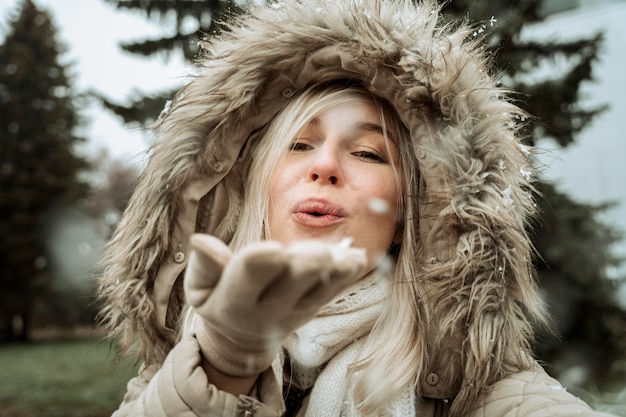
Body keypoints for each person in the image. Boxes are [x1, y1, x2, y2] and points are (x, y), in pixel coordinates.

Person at [97, 0, 618, 416]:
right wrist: (222, 364)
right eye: (299, 145)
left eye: (368, 152)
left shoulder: (475, 387)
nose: (324, 165)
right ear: (262, 191)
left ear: (405, 215)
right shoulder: (175, 362)